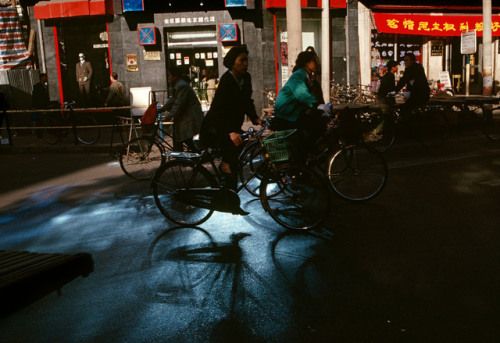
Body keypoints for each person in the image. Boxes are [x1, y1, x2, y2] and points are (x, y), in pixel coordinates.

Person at [200, 45, 262, 190]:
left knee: (238, 153)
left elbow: (247, 100)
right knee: (230, 160)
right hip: (216, 127)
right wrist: (230, 132)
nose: (245, 64)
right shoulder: (227, 80)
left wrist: (256, 119)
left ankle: (227, 182)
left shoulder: (246, 78)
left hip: (232, 126)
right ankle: (229, 197)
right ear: (232, 63)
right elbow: (220, 110)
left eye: (246, 60)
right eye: (242, 60)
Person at [273, 51, 329, 156]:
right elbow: (302, 94)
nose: (316, 63)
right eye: (314, 60)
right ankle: (304, 155)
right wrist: (318, 105)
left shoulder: (308, 77)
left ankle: (306, 154)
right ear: (306, 63)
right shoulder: (298, 75)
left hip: (293, 113)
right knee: (312, 128)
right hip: (286, 115)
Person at [158, 66, 204, 152]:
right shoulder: (177, 85)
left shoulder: (182, 85)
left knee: (185, 137)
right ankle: (180, 157)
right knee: (178, 136)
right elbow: (172, 99)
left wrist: (170, 115)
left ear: (175, 76)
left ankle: (196, 155)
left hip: (190, 116)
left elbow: (179, 103)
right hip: (185, 115)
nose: (168, 78)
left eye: (169, 75)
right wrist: (163, 109)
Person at [31, 73, 52, 138]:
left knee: (46, 118)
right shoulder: (37, 86)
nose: (46, 79)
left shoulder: (45, 86)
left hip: (45, 105)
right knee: (39, 120)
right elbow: (34, 97)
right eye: (45, 77)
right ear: (42, 78)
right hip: (39, 105)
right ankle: (39, 133)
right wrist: (34, 105)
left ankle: (48, 131)